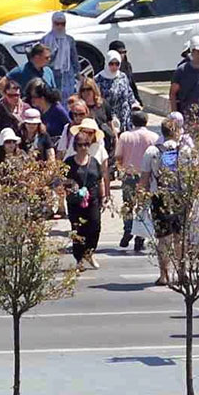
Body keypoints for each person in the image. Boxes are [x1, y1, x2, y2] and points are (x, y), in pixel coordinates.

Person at [141, 119, 185, 285]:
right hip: (179, 196)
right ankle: (181, 273)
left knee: (163, 238)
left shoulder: (152, 151)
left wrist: (142, 198)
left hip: (159, 198)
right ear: (177, 131)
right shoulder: (184, 150)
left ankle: (164, 274)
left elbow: (144, 179)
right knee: (180, 237)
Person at [65, 128, 109, 270]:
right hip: (75, 201)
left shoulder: (94, 161)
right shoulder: (69, 162)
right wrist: (71, 186)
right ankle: (79, 258)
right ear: (75, 146)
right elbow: (61, 180)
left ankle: (89, 252)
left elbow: (100, 180)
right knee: (78, 229)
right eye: (80, 145)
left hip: (92, 199)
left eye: (86, 145)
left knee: (95, 227)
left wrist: (103, 197)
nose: (83, 148)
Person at [116, 110, 155, 253]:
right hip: (146, 176)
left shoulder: (125, 136)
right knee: (143, 207)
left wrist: (121, 169)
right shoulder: (154, 137)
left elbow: (118, 156)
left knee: (128, 204)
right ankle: (140, 237)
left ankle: (128, 228)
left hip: (129, 175)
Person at [95, 51, 135, 137]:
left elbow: (129, 92)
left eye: (117, 64)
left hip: (123, 115)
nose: (114, 67)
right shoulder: (98, 79)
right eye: (111, 64)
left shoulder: (122, 76)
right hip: (108, 116)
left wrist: (134, 104)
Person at [42, 12, 80, 98]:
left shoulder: (69, 40)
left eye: (62, 24)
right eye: (57, 24)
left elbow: (74, 57)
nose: (60, 26)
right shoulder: (45, 40)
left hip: (66, 73)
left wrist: (77, 73)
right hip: (51, 72)